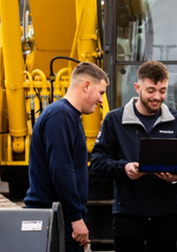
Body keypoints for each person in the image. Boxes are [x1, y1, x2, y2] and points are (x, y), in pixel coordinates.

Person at [91, 60, 177, 252]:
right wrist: (124, 168)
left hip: (166, 217)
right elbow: (98, 161)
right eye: (151, 90)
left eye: (162, 90)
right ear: (137, 87)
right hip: (128, 216)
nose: (157, 97)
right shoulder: (114, 120)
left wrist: (176, 178)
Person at [24, 62, 109, 252]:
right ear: (86, 86)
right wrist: (76, 218)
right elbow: (62, 171)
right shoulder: (61, 116)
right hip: (57, 220)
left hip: (62, 218)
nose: (102, 100)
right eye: (101, 92)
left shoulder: (66, 115)